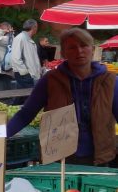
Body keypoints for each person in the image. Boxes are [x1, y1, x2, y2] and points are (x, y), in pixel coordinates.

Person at [7, 28, 118, 165]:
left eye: (84, 46)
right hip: (60, 158)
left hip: (101, 157)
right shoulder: (51, 80)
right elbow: (26, 114)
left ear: (93, 49)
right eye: (72, 47)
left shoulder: (110, 81)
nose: (79, 51)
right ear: (63, 53)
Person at [11, 19, 42, 88]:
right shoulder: (20, 38)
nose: (37, 29)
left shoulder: (28, 39)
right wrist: (25, 73)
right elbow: (15, 58)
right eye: (36, 27)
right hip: (24, 75)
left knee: (24, 97)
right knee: (27, 96)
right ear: (34, 27)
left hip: (30, 75)